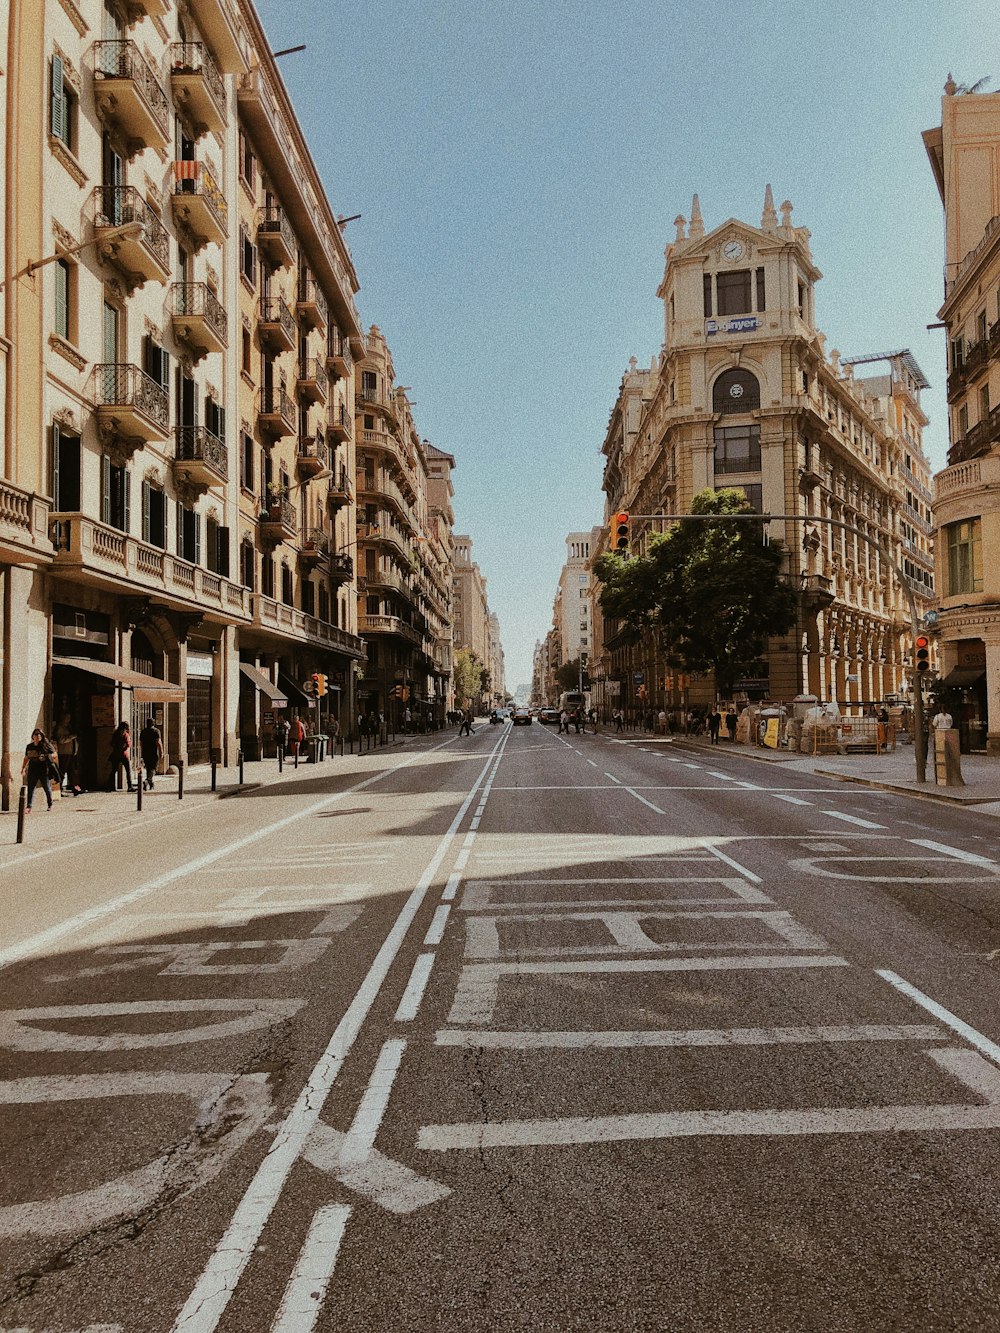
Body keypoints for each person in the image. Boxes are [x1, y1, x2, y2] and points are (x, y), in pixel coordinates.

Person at [21, 728, 56, 811]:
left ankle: (50, 804)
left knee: (46, 787)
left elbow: (54, 754)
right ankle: (29, 806)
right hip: (33, 769)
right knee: (31, 788)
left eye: (40, 734)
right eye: (36, 734)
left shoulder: (46, 745)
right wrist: (23, 768)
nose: (38, 736)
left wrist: (46, 756)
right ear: (33, 736)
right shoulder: (29, 746)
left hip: (43, 769)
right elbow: (26, 758)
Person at [53, 712, 82, 795]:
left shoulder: (68, 727)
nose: (68, 719)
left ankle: (75, 788)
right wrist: (71, 736)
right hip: (64, 752)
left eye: (69, 717)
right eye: (67, 717)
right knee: (62, 772)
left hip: (71, 752)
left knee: (72, 772)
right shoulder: (60, 728)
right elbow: (61, 740)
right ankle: (59, 789)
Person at [108, 720, 134, 792]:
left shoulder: (115, 733)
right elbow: (128, 744)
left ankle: (110, 786)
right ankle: (130, 786)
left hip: (115, 754)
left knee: (113, 770)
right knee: (128, 770)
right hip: (124, 754)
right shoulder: (125, 734)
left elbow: (111, 743)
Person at [138, 718, 163, 790]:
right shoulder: (156, 731)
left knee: (148, 768)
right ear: (153, 723)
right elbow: (158, 742)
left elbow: (140, 743)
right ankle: (147, 781)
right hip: (153, 752)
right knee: (153, 768)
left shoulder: (143, 731)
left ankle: (151, 784)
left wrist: (142, 752)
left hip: (145, 752)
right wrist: (161, 752)